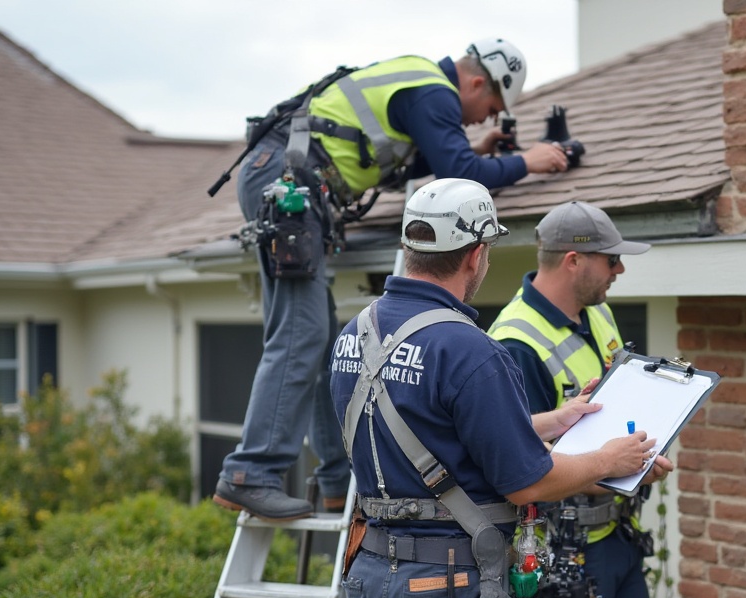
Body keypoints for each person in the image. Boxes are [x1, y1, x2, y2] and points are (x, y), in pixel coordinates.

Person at [327, 178, 669, 598]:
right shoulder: (470, 348)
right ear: (477, 254)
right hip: (447, 587)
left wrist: (548, 421)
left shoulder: (355, 334)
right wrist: (611, 461)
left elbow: (433, 431)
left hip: (372, 575)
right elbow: (525, 482)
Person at [214, 39, 570, 520]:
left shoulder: (420, 85)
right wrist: (528, 161)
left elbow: (416, 155)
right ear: (477, 82)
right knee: (300, 333)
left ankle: (337, 479)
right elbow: (458, 170)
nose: (483, 120)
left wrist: (477, 151)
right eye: (490, 108)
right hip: (289, 183)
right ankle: (249, 472)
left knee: (316, 337)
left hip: (288, 177)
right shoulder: (434, 92)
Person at [487, 201, 662, 598]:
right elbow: (523, 477)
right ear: (573, 261)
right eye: (611, 260)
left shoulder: (597, 312)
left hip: (616, 541)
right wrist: (622, 467)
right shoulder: (514, 345)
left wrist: (642, 454)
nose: (619, 270)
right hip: (565, 556)